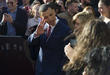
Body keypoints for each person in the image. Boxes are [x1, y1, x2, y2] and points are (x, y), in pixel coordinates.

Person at [28, 3, 71, 75]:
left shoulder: (65, 29)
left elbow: (66, 55)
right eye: (45, 17)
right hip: (40, 70)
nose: (50, 18)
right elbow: (29, 42)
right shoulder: (40, 27)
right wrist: (36, 34)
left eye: (51, 15)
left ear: (55, 12)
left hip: (57, 71)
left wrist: (61, 71)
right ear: (41, 17)